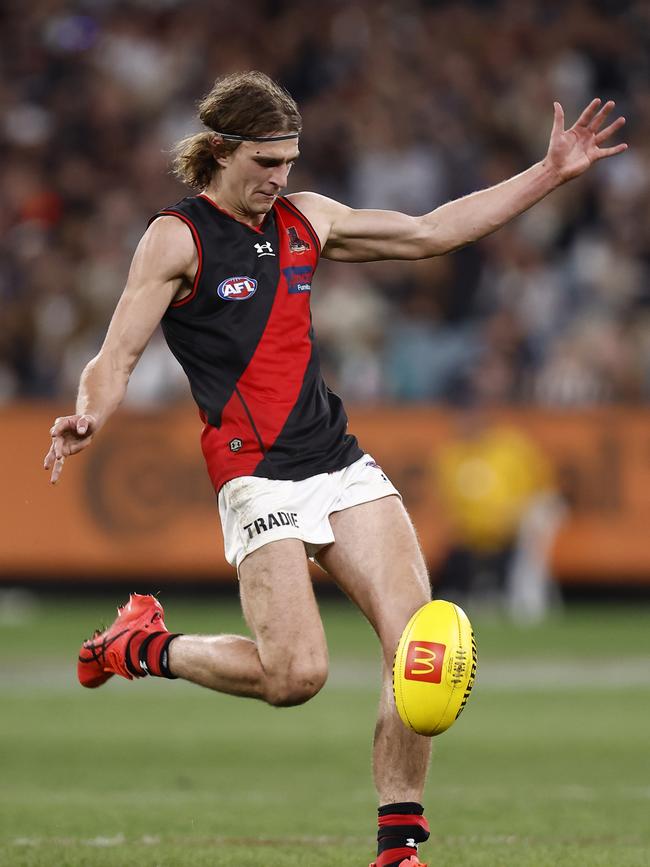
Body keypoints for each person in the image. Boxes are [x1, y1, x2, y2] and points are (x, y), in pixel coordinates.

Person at [43, 71, 626, 867]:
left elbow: (430, 233)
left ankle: (399, 844)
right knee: (296, 675)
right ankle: (144, 643)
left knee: (419, 644)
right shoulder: (176, 238)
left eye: (289, 161)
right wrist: (88, 412)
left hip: (337, 459)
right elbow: (117, 356)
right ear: (220, 151)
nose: (280, 178)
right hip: (255, 475)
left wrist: (548, 173)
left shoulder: (306, 219)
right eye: (265, 163)